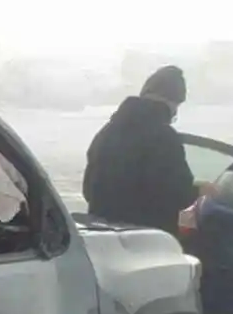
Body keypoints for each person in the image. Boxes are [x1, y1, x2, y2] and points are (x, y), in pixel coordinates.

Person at [81, 66, 200, 236]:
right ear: (171, 102)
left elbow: (88, 189)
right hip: (146, 239)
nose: (175, 113)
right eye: (177, 106)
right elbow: (177, 194)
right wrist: (198, 191)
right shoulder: (164, 137)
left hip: (104, 236)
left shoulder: (107, 132)